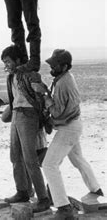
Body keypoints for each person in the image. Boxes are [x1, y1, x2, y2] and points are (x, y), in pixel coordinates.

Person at [32, 49, 104, 219]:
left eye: (55, 65)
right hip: (73, 125)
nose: (51, 67)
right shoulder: (63, 78)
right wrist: (46, 92)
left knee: (50, 165)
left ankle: (64, 208)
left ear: (64, 66)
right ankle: (95, 188)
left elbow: (56, 112)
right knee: (77, 158)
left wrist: (43, 94)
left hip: (68, 128)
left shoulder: (63, 83)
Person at [1, 44, 51, 213]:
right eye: (4, 62)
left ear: (18, 60)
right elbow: (13, 98)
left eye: (8, 61)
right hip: (16, 115)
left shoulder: (30, 75)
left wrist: (43, 118)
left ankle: (43, 198)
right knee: (15, 156)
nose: (6, 65)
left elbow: (43, 95)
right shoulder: (10, 78)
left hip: (29, 116)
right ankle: (22, 192)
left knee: (30, 158)